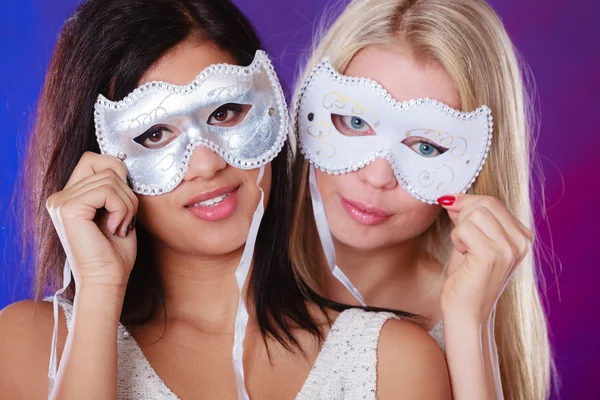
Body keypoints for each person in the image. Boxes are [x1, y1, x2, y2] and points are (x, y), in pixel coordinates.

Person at [0, 0, 451, 399]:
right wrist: (99, 292)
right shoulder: (29, 343)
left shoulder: (394, 361)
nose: (206, 164)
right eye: (155, 134)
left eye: (225, 112)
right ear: (100, 162)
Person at [290, 0, 552, 399]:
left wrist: (469, 326)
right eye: (355, 122)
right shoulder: (229, 260)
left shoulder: (458, 322)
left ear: (480, 167)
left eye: (427, 147)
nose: (377, 178)